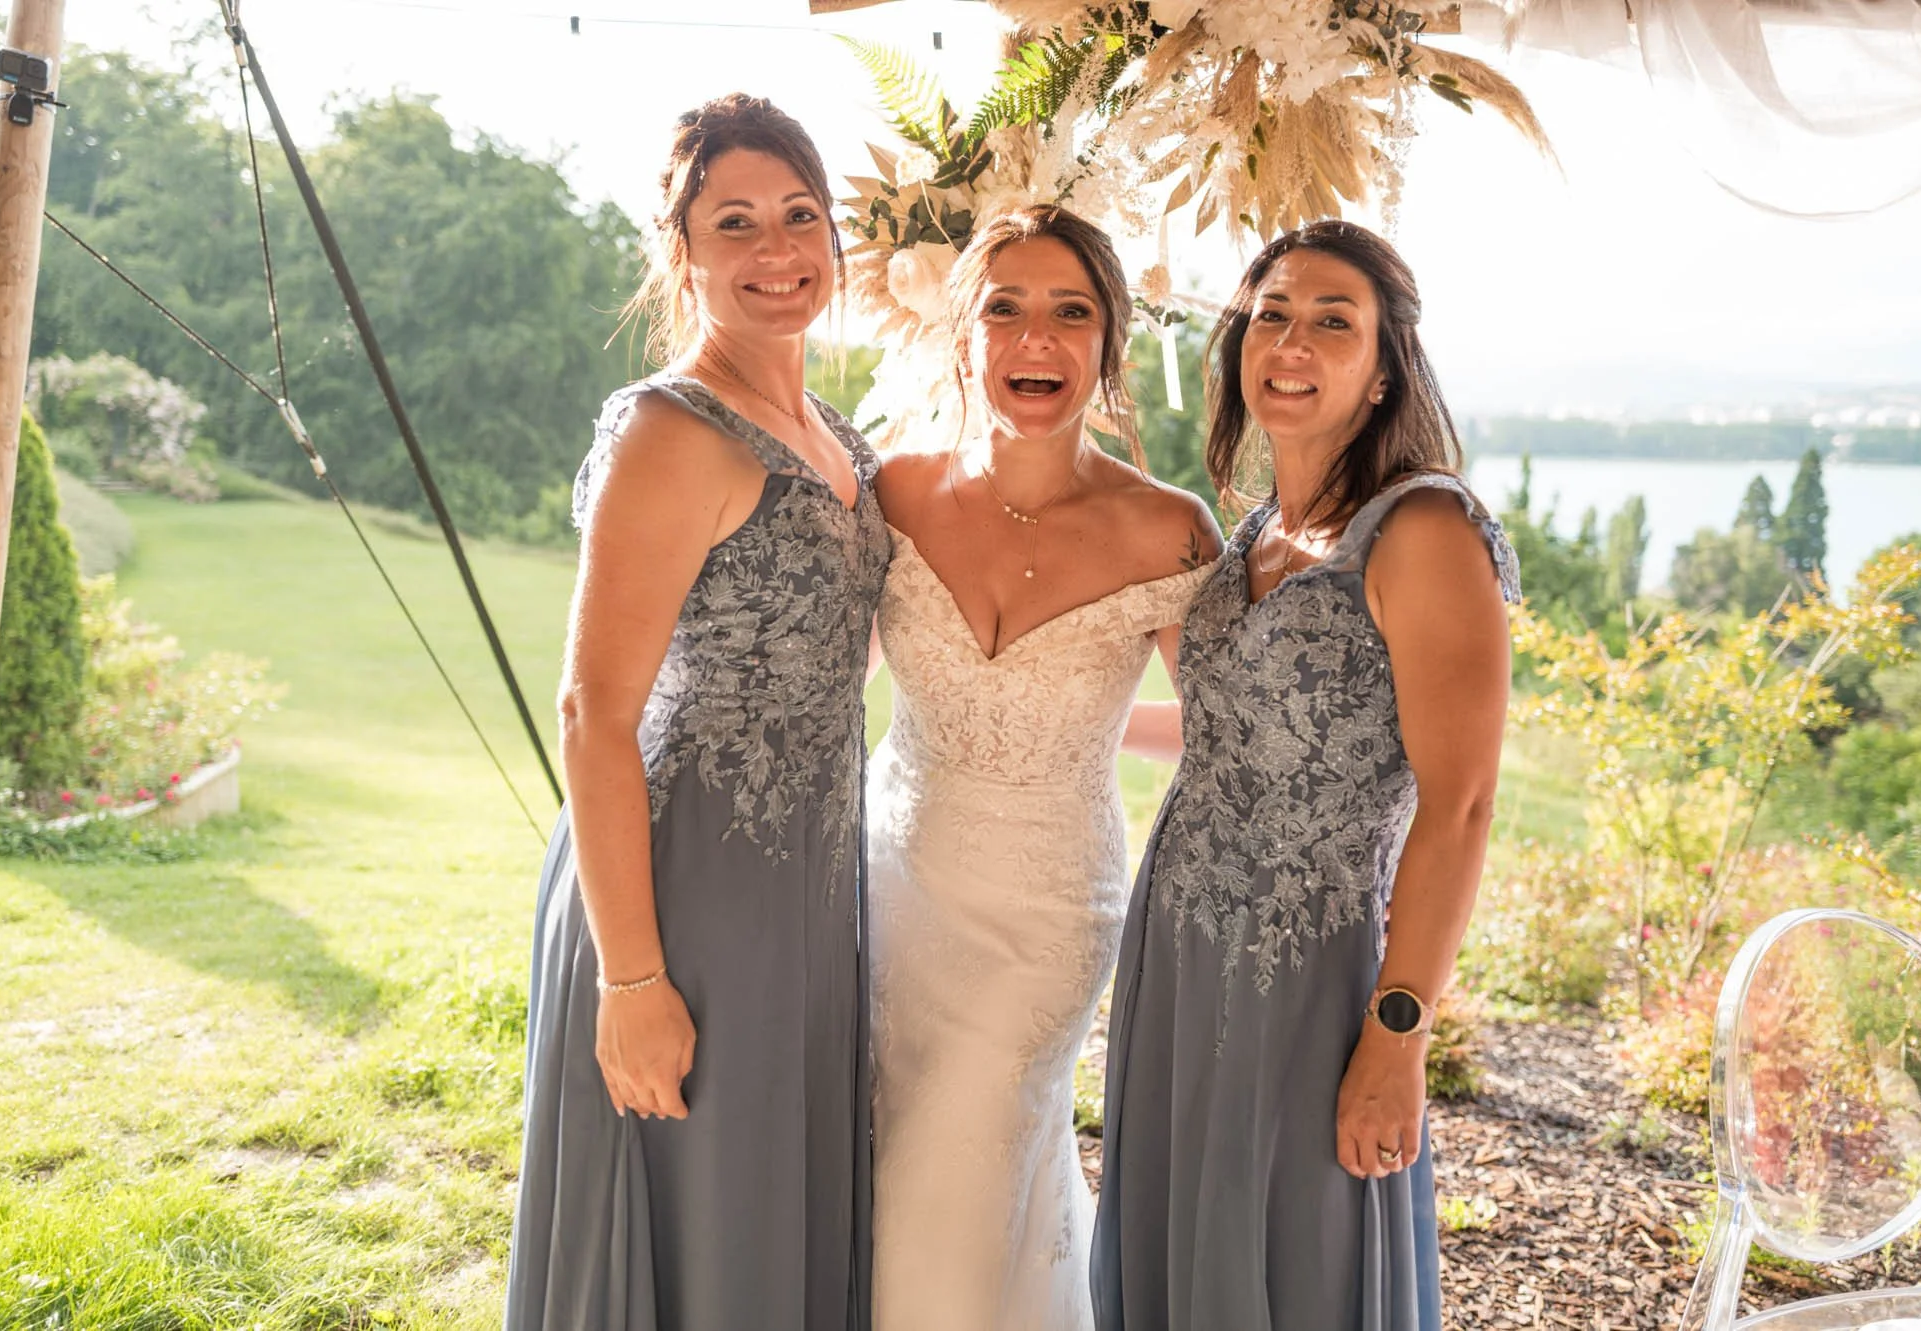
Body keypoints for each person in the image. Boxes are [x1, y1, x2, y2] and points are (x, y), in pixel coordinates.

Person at [1091, 219, 1520, 1331]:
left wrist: (1396, 1032)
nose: (1292, 339)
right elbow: (1226, 733)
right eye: (1271, 312)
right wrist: (1029, 722)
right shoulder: (1251, 537)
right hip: (1178, 952)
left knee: (1294, 1257)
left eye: (1333, 321)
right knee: (1180, 1247)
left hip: (1310, 975)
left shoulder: (1420, 529)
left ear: (1382, 374)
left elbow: (1460, 800)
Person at [505, 93, 887, 1331]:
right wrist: (631, 978)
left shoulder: (835, 434)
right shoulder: (671, 430)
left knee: (768, 1219)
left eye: (799, 217)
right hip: (679, 892)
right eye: (736, 223)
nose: (777, 251)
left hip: (806, 890)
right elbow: (590, 711)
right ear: (682, 252)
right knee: (697, 1226)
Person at [866, 204, 1222, 1330]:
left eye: (1071, 313)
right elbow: (817, 675)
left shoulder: (1168, 529)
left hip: (1047, 914)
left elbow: (1222, 730)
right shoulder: (892, 492)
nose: (1036, 340)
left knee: (955, 1167)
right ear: (960, 335)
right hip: (890, 885)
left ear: (1110, 344)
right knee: (885, 1169)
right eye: (1004, 308)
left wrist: (1077, 730)